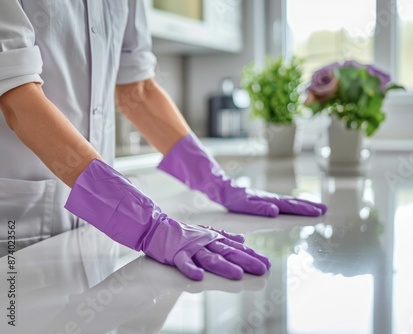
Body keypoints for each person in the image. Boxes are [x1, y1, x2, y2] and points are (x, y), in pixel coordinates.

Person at [0, 0, 327, 280]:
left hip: (93, 234)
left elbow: (137, 90)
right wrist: (146, 224)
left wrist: (219, 184)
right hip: (19, 229)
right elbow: (17, 95)